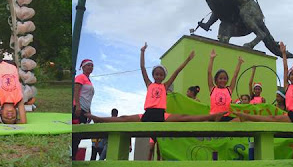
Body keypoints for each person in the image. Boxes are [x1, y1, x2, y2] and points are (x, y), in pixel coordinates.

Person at [90, 44, 221, 124]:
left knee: (184, 117)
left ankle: (212, 116)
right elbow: (142, 67)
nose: (158, 76)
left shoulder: (165, 86)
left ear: (164, 76)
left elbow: (177, 72)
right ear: (153, 75)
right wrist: (142, 52)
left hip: (161, 114)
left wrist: (188, 59)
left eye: (161, 74)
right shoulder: (149, 84)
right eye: (156, 74)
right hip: (148, 113)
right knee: (124, 118)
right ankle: (99, 118)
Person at [208, 49, 244, 121]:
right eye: (220, 78)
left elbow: (235, 75)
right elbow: (209, 72)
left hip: (225, 117)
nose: (223, 80)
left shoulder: (229, 90)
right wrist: (212, 59)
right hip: (214, 117)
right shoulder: (212, 89)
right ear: (216, 80)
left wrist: (239, 63)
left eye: (225, 78)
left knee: (240, 120)